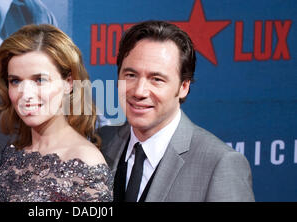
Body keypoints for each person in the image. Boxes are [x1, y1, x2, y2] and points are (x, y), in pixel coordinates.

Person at [98, 20, 255, 202]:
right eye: (130, 75)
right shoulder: (101, 142)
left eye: (156, 79)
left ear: (184, 87)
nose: (139, 91)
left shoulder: (219, 164)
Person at [0, 24, 113, 202]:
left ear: (68, 83)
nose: (25, 93)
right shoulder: (14, 154)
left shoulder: (85, 161)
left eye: (39, 80)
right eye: (15, 81)